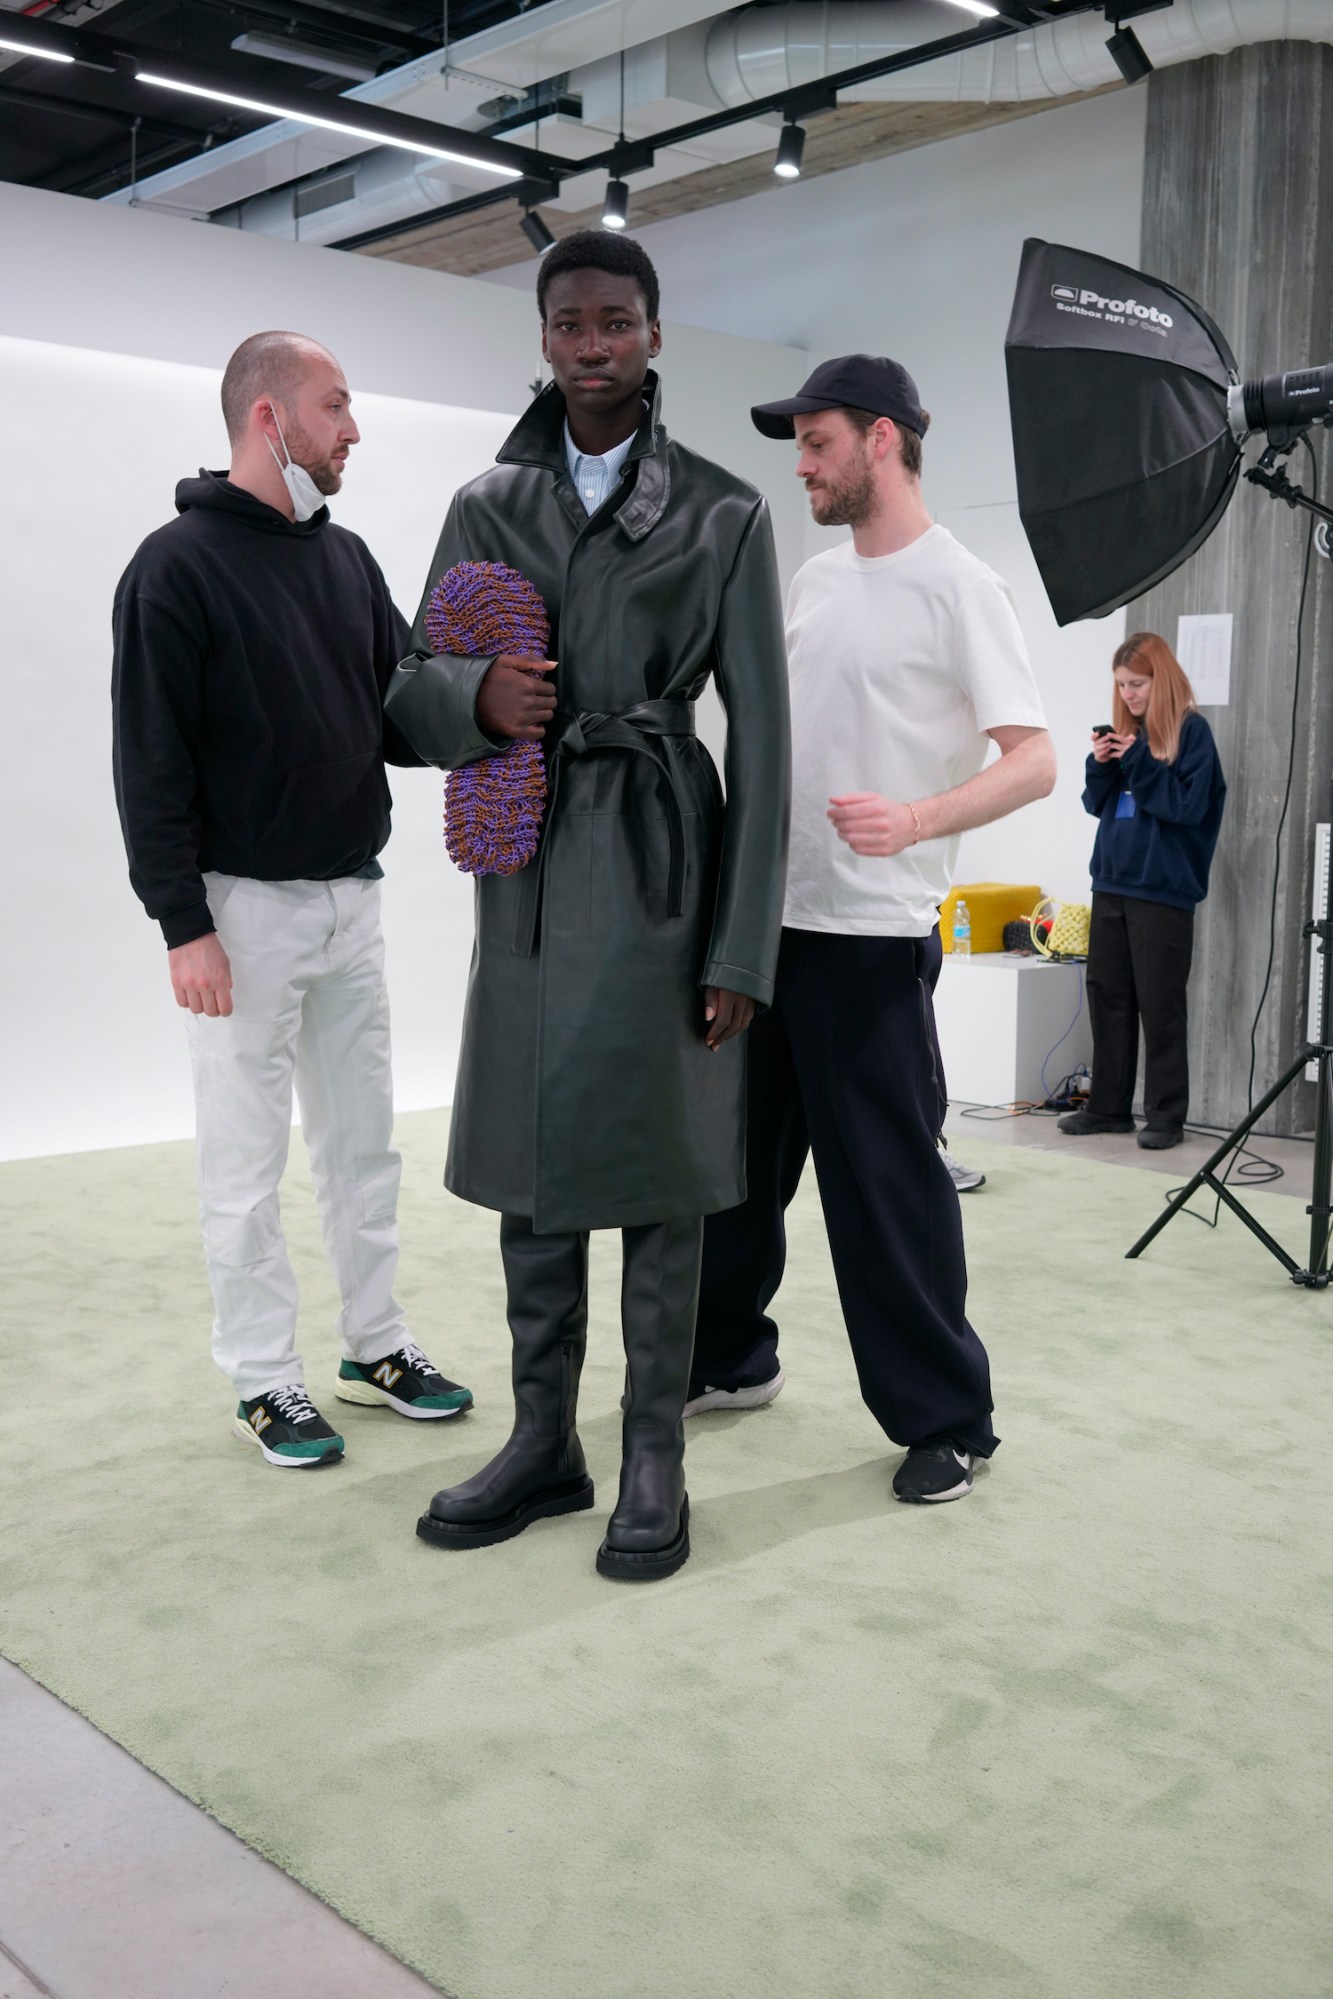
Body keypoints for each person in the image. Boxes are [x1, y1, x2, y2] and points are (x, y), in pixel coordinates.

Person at [385, 233, 790, 1579]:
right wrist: (474, 698)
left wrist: (741, 943)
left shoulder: (726, 510)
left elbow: (766, 741)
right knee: (535, 1163)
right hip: (530, 875)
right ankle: (542, 1436)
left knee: (664, 1169)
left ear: (655, 333)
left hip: (665, 856)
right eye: (570, 323)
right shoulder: (483, 503)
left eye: (617, 320)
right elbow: (407, 689)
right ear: (545, 339)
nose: (593, 343)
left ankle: (654, 1450)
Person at [683, 354, 1057, 1506]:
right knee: (736, 1174)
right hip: (767, 926)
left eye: (817, 442)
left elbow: (1035, 759)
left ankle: (952, 1417)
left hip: (871, 937)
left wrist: (919, 818)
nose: (800, 464)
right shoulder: (814, 582)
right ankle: (731, 1358)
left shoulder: (961, 586)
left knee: (882, 1184)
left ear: (882, 440)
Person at [112, 331, 473, 1469]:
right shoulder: (172, 568)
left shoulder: (347, 560)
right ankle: (266, 1378)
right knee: (245, 1161)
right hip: (240, 916)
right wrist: (185, 926)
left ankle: (375, 1345)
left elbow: (398, 719)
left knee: (365, 1146)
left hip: (347, 903)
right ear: (270, 419)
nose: (353, 429)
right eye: (335, 406)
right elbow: (148, 761)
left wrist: (486, 705)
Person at [1058, 631, 1225, 1151]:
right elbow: (1095, 803)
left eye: (1138, 684)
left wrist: (1139, 762)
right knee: (1107, 997)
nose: (1129, 695)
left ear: (1162, 679)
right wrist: (1103, 761)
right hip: (1111, 883)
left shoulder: (1192, 735)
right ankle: (1108, 1108)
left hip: (1163, 892)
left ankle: (1166, 1115)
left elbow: (1186, 809)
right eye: (1122, 686)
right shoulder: (1130, 737)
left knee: (1160, 1004)